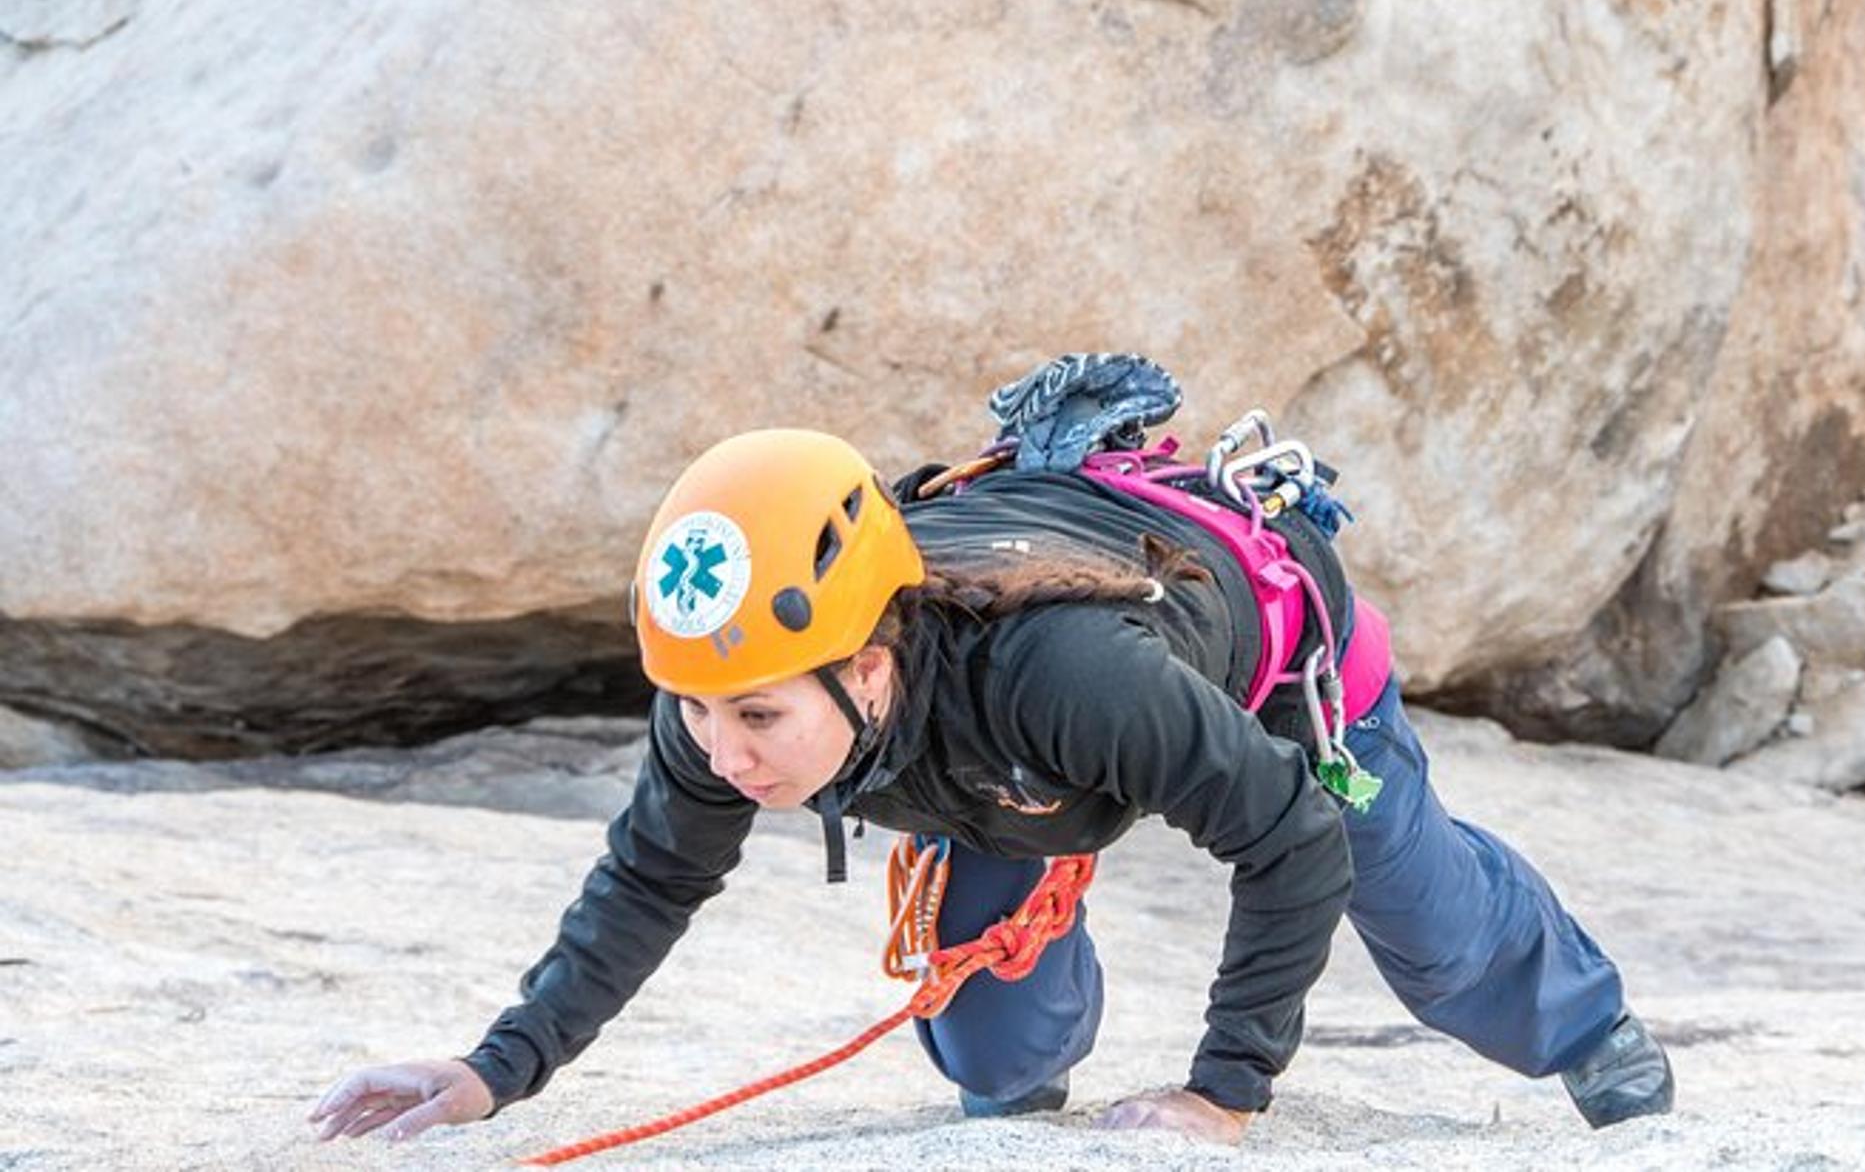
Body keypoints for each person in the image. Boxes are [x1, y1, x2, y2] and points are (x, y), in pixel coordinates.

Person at [308, 399, 1673, 1148]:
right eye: (696, 712)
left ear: (870, 665)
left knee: (1424, 921)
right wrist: (498, 1068)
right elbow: (649, 878)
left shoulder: (1063, 675)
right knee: (988, 1040)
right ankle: (1027, 1074)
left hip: (1274, 677)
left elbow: (1293, 838)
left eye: (757, 720)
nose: (720, 754)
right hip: (1014, 766)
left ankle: (1591, 1029)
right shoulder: (738, 689)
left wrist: (1224, 1090)